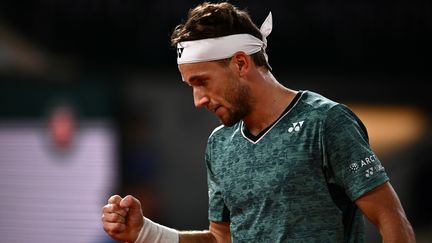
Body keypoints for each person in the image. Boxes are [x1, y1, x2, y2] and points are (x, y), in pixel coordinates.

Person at [102, 2, 415, 242]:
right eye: (191, 86)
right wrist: (146, 233)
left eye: (203, 82)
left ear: (240, 63)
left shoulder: (326, 122)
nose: (198, 100)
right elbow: (221, 238)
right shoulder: (220, 143)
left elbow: (391, 218)